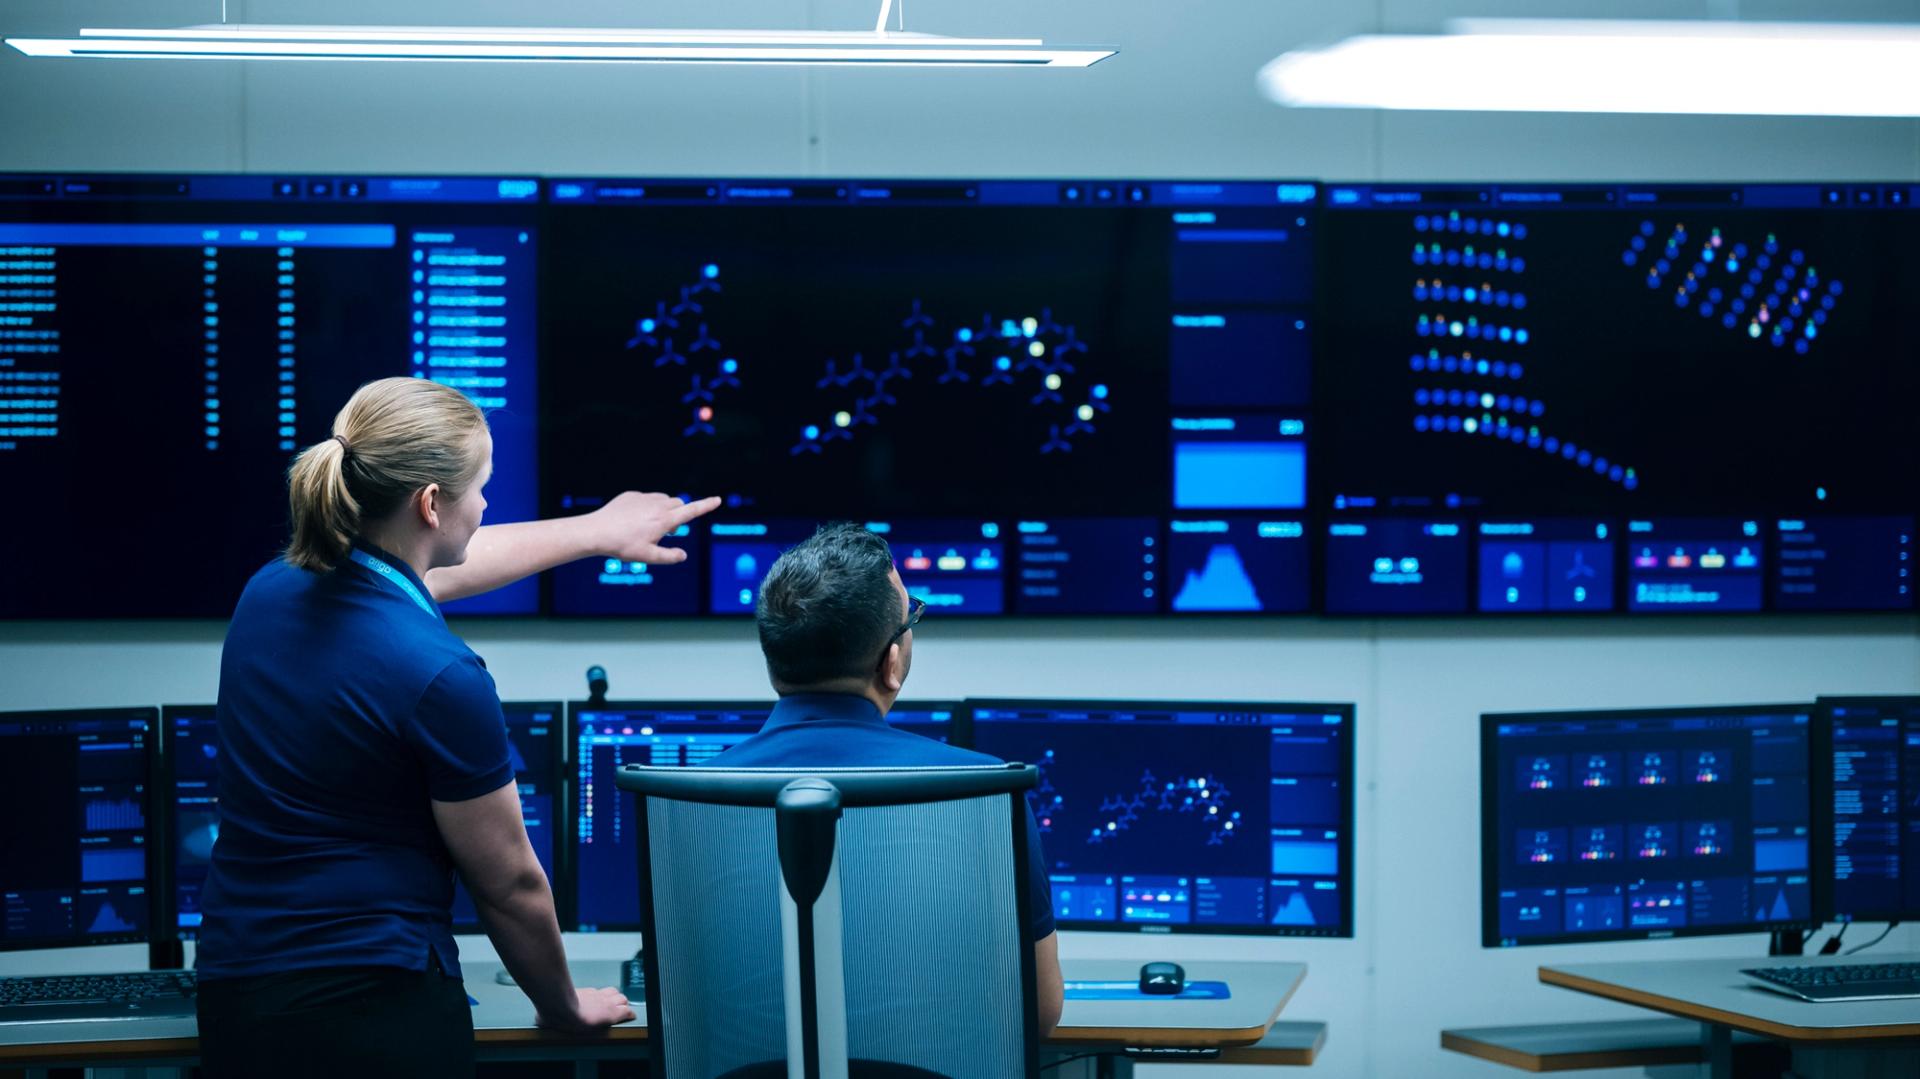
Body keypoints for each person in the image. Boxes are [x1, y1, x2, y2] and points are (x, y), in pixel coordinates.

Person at [195, 377, 719, 1079]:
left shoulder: (268, 593)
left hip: (239, 1001)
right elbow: (508, 883)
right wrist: (563, 1004)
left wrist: (597, 532)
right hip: (374, 1012)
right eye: (480, 488)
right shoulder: (441, 674)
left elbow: (423, 576)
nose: (486, 505)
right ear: (430, 503)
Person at [706, 522, 1066, 1036]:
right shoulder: (986, 790)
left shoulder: (690, 794)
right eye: (910, 617)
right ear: (890, 664)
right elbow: (1040, 1011)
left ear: (773, 661)